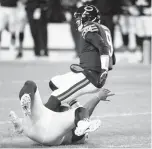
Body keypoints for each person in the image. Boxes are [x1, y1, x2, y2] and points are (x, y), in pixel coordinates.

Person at [46, 5, 114, 112]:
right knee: (54, 82)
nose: (77, 20)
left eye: (79, 17)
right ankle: (78, 112)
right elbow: (111, 58)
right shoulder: (104, 29)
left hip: (91, 76)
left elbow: (103, 47)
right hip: (89, 71)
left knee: (55, 97)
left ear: (87, 18)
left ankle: (34, 125)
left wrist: (103, 70)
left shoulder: (89, 26)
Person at [9, 81, 114, 145]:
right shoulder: (69, 121)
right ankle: (21, 123)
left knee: (31, 85)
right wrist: (97, 97)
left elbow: (84, 109)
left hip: (40, 129)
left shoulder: (76, 132)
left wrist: (97, 97)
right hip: (41, 129)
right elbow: (82, 110)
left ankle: (22, 123)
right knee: (31, 85)